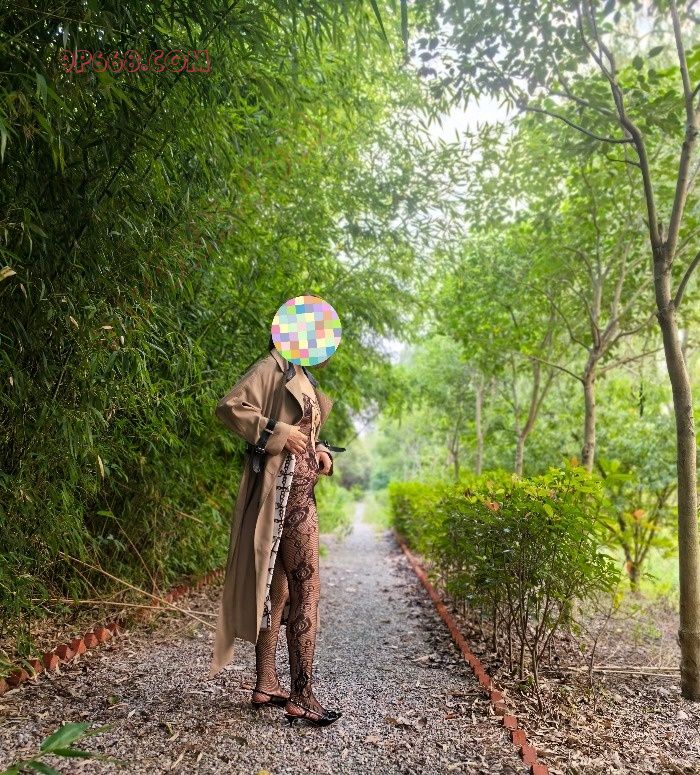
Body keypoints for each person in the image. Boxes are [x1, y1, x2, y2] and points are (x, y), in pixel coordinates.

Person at [209, 335, 343, 727]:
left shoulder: (300, 373)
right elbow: (230, 407)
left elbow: (306, 431)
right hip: (286, 497)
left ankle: (267, 682)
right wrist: (279, 434)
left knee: (280, 590)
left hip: (299, 494)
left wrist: (321, 452)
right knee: (307, 589)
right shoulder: (271, 366)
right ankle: (303, 695)